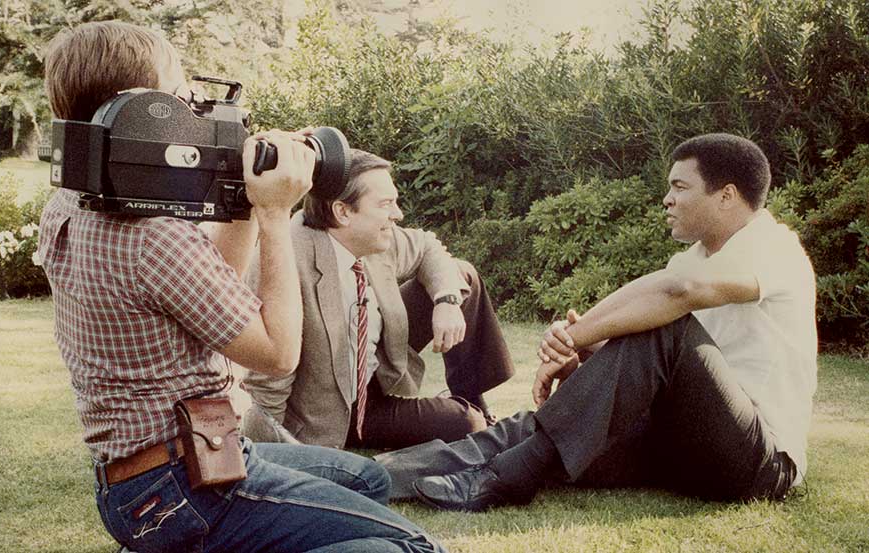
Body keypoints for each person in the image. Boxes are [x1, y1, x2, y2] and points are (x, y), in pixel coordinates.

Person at [40, 20, 446, 552]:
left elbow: (211, 291)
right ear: (142, 113)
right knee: (414, 547)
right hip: (188, 484)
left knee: (366, 479)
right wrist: (277, 213)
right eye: (182, 100)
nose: (196, 114)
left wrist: (243, 199)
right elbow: (278, 354)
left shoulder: (70, 205)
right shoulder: (154, 238)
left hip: (136, 484)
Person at [375, 133, 817, 510]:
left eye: (680, 187)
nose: (667, 199)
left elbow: (676, 296)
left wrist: (575, 333)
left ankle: (506, 479)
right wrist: (585, 352)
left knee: (664, 325)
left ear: (726, 195)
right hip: (681, 448)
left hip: (758, 464)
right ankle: (373, 476)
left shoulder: (775, 247)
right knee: (539, 427)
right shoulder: (693, 259)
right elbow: (659, 359)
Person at [240, 149, 515, 450]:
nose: (397, 214)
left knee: (462, 277)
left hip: (377, 378)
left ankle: (472, 399)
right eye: (386, 204)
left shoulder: (373, 236)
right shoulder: (285, 258)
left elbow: (426, 247)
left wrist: (447, 301)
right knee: (466, 423)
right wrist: (275, 454)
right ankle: (469, 415)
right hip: (333, 415)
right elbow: (266, 378)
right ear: (342, 211)